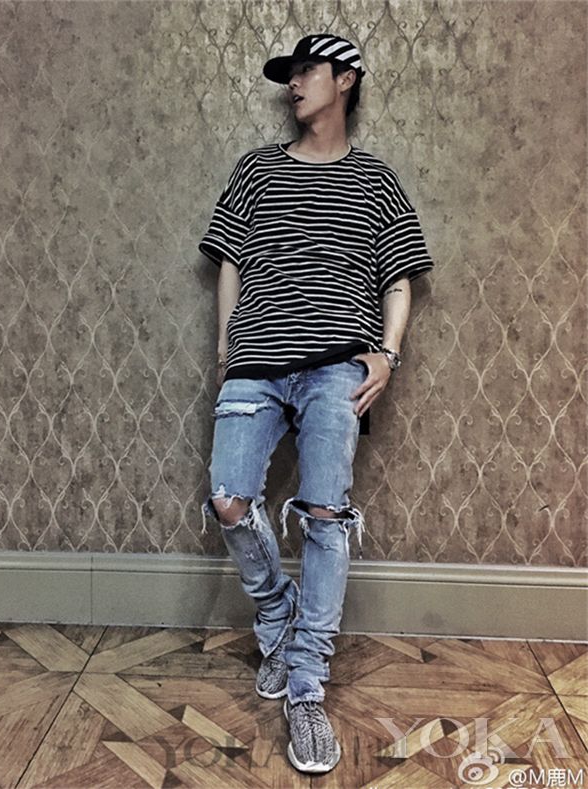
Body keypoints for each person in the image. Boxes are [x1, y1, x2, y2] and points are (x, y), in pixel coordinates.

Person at [198, 33, 434, 774]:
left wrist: (388, 354)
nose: (295, 83)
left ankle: (305, 686)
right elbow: (228, 262)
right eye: (290, 74)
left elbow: (400, 276)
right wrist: (227, 347)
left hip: (337, 367)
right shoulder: (257, 169)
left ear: (346, 80)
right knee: (229, 498)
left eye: (308, 70)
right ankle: (278, 613)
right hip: (256, 361)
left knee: (326, 513)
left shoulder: (374, 177)